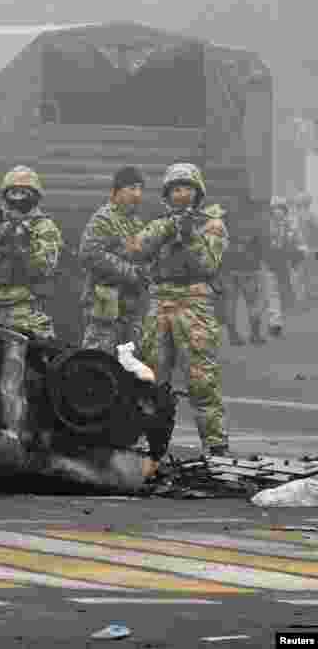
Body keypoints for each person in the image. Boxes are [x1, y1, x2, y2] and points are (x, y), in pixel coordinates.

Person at [122, 162, 230, 456]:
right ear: (167, 195)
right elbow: (134, 250)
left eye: (187, 189)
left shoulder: (211, 225)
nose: (182, 194)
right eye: (176, 189)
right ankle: (149, 445)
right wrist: (169, 228)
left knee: (202, 379)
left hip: (194, 306)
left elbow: (208, 264)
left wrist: (190, 235)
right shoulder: (160, 224)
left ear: (198, 194)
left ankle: (215, 446)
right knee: (151, 379)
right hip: (159, 306)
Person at [0, 165, 63, 338]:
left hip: (23, 308)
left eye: (24, 192)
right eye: (13, 192)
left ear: (34, 196)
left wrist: (22, 245)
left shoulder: (44, 227)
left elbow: (46, 265)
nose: (18, 198)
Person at [77, 165, 149, 356]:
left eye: (140, 189)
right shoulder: (104, 219)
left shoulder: (136, 223)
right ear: (116, 191)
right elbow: (90, 253)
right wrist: (131, 272)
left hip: (130, 309)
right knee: (97, 362)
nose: (137, 194)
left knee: (130, 367)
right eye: (132, 188)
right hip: (105, 310)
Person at [220, 197, 268, 346]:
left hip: (229, 267)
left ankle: (233, 336)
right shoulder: (253, 221)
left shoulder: (224, 219)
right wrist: (260, 260)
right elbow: (261, 242)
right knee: (253, 301)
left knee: (230, 302)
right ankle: (254, 334)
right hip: (248, 267)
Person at [264, 195, 307, 338]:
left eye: (280, 208)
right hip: (269, 263)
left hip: (286, 264)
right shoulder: (266, 225)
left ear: (285, 210)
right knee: (272, 293)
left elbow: (299, 241)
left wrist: (301, 251)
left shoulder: (291, 225)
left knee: (285, 293)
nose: (278, 211)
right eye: (275, 208)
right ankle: (275, 323)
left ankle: (279, 317)